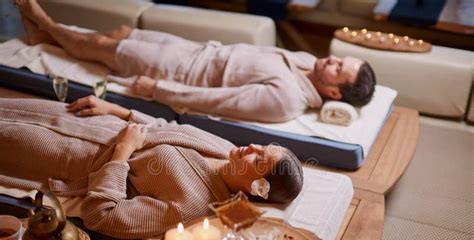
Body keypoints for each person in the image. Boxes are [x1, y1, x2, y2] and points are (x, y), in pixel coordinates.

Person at [14, 0, 376, 123]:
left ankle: (44, 24)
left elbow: (217, 102)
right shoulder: (307, 63)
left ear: (333, 92)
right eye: (339, 58)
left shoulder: (286, 100)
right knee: (121, 31)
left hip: (177, 70)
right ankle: (45, 37)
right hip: (192, 48)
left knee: (100, 46)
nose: (330, 58)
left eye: (337, 68)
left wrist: (157, 89)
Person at [0, 96, 303, 239]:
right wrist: (116, 109)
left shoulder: (190, 206)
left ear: (257, 188)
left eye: (259, 160)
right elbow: (167, 126)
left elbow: (104, 216)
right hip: (91, 121)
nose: (252, 147)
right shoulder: (226, 150)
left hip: (65, 156)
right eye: (263, 146)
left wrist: (122, 152)